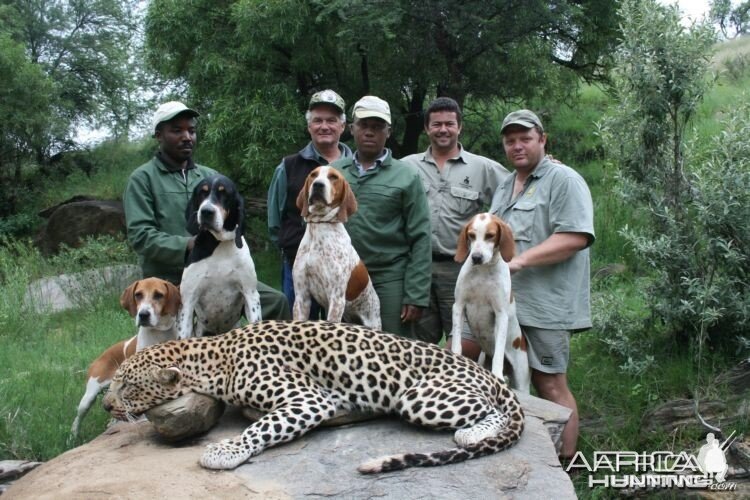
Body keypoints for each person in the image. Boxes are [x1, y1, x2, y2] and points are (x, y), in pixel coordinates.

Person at [489, 109, 594, 458]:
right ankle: (523, 452)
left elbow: (575, 236)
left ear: (542, 140)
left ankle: (568, 464)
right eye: (510, 140)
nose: (517, 146)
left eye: (525, 138)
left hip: (547, 304)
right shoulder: (506, 184)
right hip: (508, 303)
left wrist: (519, 261)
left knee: (549, 382)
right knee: (507, 377)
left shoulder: (564, 179)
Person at [124, 101, 290, 320]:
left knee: (276, 301)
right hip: (168, 279)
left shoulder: (209, 176)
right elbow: (140, 236)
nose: (187, 137)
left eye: (191, 131)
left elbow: (231, 222)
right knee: (178, 339)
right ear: (158, 135)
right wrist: (188, 244)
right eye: (177, 131)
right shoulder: (143, 179)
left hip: (219, 272)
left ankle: (270, 353)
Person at [402, 97, 508, 352]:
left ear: (459, 127)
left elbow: (518, 188)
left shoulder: (483, 168)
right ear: (426, 128)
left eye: (449, 124)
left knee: (465, 345)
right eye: (436, 124)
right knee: (416, 345)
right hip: (418, 267)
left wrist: (547, 165)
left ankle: (465, 387)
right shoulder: (406, 166)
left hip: (463, 267)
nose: (443, 129)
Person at [331, 96, 431, 337]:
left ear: (388, 131)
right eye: (364, 125)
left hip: (390, 277)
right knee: (344, 348)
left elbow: (421, 236)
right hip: (344, 276)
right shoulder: (335, 173)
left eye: (377, 127)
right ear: (352, 129)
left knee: (393, 349)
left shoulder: (406, 176)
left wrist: (416, 294)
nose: (369, 132)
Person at [267, 90, 353, 316]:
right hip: (298, 259)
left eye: (332, 121)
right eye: (318, 120)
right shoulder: (287, 166)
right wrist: (291, 247)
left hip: (344, 267)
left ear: (342, 126)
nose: (324, 126)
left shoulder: (355, 167)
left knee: (341, 341)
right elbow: (274, 220)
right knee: (298, 337)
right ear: (309, 127)